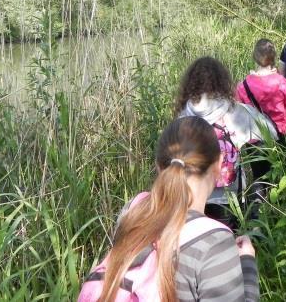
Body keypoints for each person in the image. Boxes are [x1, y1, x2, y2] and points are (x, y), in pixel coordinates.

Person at [80, 116, 259, 301]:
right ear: (219, 164)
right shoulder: (215, 243)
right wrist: (247, 264)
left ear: (159, 166)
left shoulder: (133, 210)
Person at [175, 57, 277, 226]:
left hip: (190, 197)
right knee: (228, 242)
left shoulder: (182, 117)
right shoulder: (235, 111)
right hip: (229, 197)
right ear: (222, 81)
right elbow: (270, 132)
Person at [236, 38, 286, 137]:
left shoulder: (242, 86)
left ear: (255, 57)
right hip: (281, 135)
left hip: (255, 137)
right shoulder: (282, 83)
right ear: (273, 57)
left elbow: (239, 116)